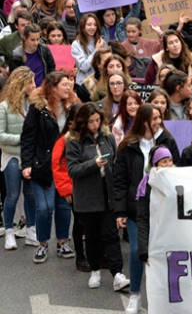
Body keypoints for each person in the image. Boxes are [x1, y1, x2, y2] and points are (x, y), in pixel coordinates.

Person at [113, 104, 179, 313]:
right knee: (136, 250)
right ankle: (135, 294)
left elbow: (178, 170)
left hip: (165, 209)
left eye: (160, 117)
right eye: (155, 118)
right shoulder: (127, 146)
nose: (159, 122)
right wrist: (120, 211)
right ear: (144, 121)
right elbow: (120, 180)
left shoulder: (167, 141)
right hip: (136, 208)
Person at [65, 103, 129, 291]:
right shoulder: (73, 141)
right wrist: (93, 164)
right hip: (86, 195)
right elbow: (72, 169)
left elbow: (116, 161)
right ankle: (94, 269)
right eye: (91, 121)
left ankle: (117, 273)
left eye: (97, 120)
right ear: (82, 122)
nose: (95, 124)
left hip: (106, 191)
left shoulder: (107, 136)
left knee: (111, 234)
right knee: (92, 236)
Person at [20, 71, 79, 263]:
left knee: (63, 205)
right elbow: (28, 137)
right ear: (52, 87)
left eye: (69, 84)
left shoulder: (73, 107)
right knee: (45, 207)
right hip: (42, 164)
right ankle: (42, 244)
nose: (68, 87)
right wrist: (27, 163)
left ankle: (62, 242)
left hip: (64, 164)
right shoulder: (38, 108)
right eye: (64, 84)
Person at [0, 67, 37, 249]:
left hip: (29, 157)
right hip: (12, 156)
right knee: (12, 195)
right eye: (31, 82)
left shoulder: (35, 104)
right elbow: (1, 136)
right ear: (21, 84)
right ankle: (9, 232)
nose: (34, 86)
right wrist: (23, 140)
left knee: (30, 195)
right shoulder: (4, 107)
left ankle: (31, 231)